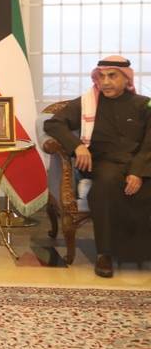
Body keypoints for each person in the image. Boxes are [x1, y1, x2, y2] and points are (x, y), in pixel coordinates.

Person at [44, 55, 151, 278]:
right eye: (101, 76)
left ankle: (142, 253)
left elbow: (149, 144)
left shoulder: (144, 105)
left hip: (139, 163)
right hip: (103, 162)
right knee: (105, 186)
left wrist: (137, 172)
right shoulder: (87, 103)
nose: (105, 82)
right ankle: (105, 254)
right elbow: (53, 123)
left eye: (112, 76)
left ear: (127, 78)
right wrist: (77, 147)